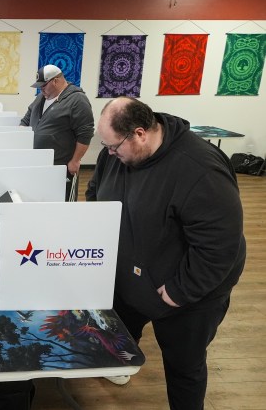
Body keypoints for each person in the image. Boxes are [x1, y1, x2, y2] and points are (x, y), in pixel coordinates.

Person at [85, 97, 246, 409]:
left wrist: (180, 290)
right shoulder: (117, 154)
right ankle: (121, 367)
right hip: (133, 273)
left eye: (114, 147)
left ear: (140, 133)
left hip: (184, 292)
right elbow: (96, 192)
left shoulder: (200, 168)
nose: (109, 154)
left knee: (184, 365)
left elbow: (219, 246)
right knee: (120, 332)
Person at [20, 65, 94, 201]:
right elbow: (25, 120)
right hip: (38, 164)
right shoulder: (41, 97)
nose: (41, 89)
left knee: (62, 204)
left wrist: (75, 160)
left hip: (61, 166)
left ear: (55, 81)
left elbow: (85, 133)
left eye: (43, 85)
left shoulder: (77, 100)